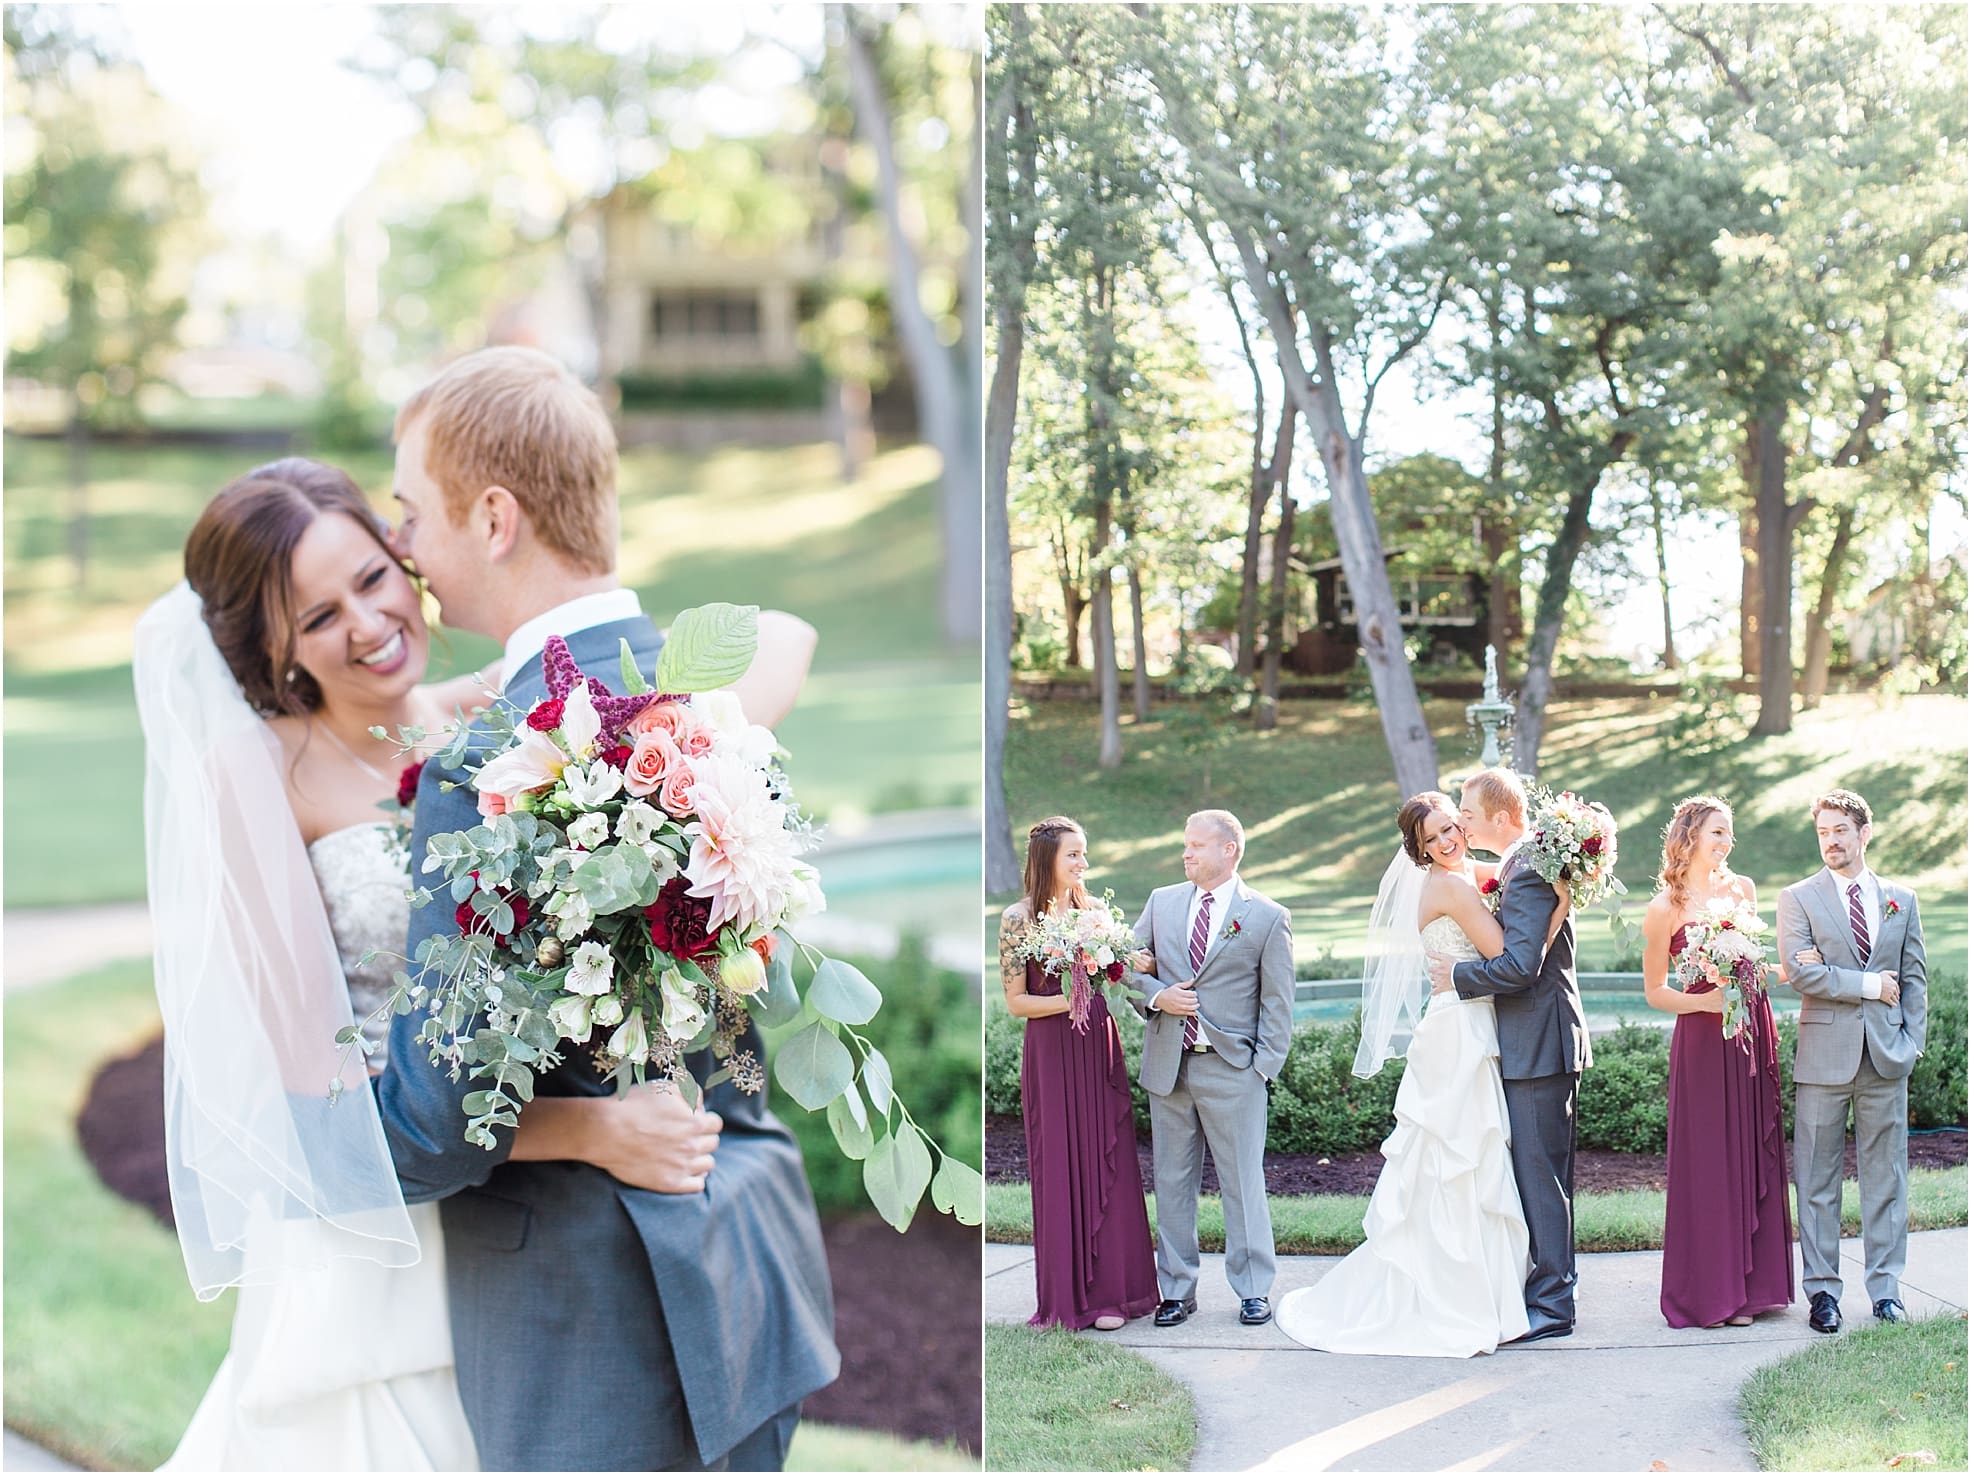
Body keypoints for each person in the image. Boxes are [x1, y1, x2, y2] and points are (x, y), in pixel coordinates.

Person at [137, 456, 807, 1469]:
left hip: (522, 1243)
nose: (366, 625)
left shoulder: (494, 715)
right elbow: (312, 1103)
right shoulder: (261, 770)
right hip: (378, 1258)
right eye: (318, 618)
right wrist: (590, 1128)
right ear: (270, 650)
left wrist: (671, 763)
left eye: (371, 577)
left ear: (406, 556)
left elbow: (786, 638)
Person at [375, 347, 838, 1472]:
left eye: (411, 514)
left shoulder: (491, 770)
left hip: (583, 1333)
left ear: (493, 517)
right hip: (749, 1249)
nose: (406, 551)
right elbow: (791, 632)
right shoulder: (706, 707)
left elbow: (437, 1122)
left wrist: (299, 1139)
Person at [1277, 792, 1532, 1356]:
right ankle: (1456, 1296)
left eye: (1451, 827)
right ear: (1418, 852)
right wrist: (1555, 903)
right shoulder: (1449, 886)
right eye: (1432, 839)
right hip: (1459, 1032)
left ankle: (1489, 1291)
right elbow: (1509, 952)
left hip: (1464, 1021)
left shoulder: (1465, 873)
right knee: (1457, 1158)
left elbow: (1512, 865)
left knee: (1470, 1158)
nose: (1447, 841)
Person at [1426, 766, 1588, 1343]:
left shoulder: (1526, 873)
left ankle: (1552, 1305)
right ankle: (1550, 1290)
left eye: (1466, 815)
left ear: (1498, 816)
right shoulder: (1524, 865)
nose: (1461, 826)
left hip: (1537, 1042)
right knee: (1544, 1175)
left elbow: (1521, 967)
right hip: (1537, 1041)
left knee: (1541, 1178)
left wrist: (1458, 974)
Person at [1123, 809, 1294, 1329]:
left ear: (1230, 851)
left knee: (1243, 1182)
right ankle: (1176, 1290)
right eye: (1185, 845)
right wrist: (1158, 997)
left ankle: (1252, 1289)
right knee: (1172, 1181)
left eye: (1198, 845)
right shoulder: (1161, 902)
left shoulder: (1265, 916)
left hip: (1233, 1070)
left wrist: (1261, 1068)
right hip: (1169, 1068)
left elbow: (1279, 1003)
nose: (1187, 853)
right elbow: (1125, 967)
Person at [998, 817, 1159, 1333]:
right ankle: (1066, 1300)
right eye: (1074, 855)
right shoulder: (1016, 918)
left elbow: (1127, 964)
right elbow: (1016, 1002)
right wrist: (1069, 998)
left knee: (1106, 1156)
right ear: (1048, 859)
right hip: (1051, 1049)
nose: (1083, 864)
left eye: (1084, 854)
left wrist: (1129, 960)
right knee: (1061, 1160)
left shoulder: (1093, 913)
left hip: (1095, 1045)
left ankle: (1115, 1293)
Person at [1777, 790, 1929, 1334]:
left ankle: (1886, 1293)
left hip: (1887, 1058)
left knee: (1886, 1179)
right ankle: (1822, 1294)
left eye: (1840, 830)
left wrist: (1912, 1043)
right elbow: (1801, 974)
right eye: (1823, 832)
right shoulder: (1798, 898)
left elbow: (1913, 979)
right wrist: (1868, 984)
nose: (1831, 841)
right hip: (1822, 1059)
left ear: (1864, 833)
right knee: (1816, 1181)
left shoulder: (1901, 899)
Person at [1641, 796, 1793, 1330]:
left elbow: (1753, 962)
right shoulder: (1664, 907)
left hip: (1750, 1030)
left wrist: (1790, 969)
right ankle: (1713, 1293)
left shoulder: (1743, 890)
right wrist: (1703, 1002)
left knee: (1752, 1146)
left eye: (1730, 833)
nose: (1726, 842)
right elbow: (1656, 991)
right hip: (1703, 1038)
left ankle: (1754, 1290)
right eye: (1717, 832)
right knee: (1709, 1157)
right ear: (1689, 836)